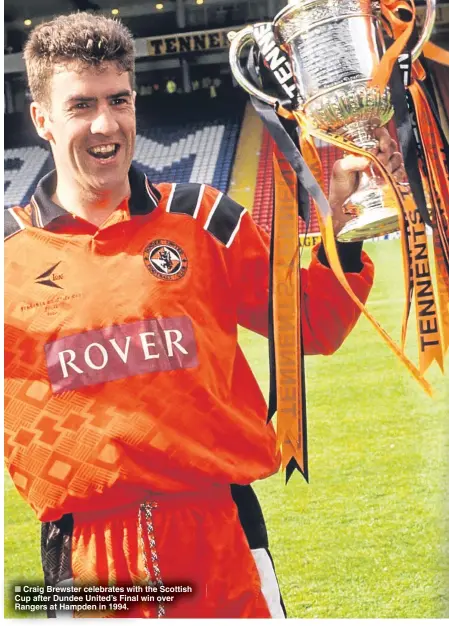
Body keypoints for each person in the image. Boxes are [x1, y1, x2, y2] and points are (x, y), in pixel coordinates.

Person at [4, 12, 403, 619]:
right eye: (81, 105)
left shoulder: (205, 218)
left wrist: (342, 232)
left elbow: (315, 322)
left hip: (221, 532)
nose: (106, 124)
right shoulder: (8, 253)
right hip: (85, 557)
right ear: (43, 121)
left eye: (119, 100)